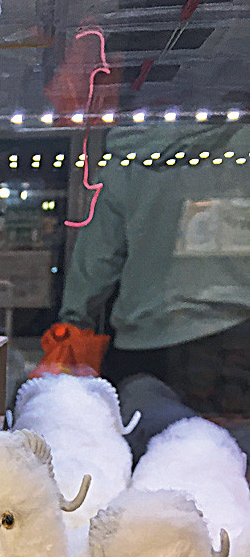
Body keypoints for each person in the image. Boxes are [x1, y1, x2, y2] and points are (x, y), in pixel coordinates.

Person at [56, 118, 250, 448]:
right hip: (236, 329)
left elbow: (98, 258)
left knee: (154, 452)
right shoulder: (242, 142)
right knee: (236, 454)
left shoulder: (127, 156)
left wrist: (74, 322)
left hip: (147, 337)